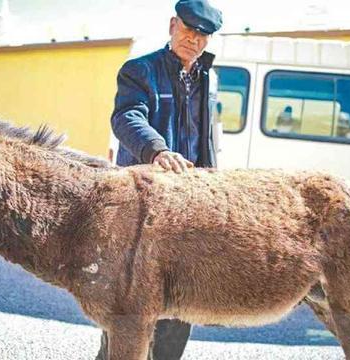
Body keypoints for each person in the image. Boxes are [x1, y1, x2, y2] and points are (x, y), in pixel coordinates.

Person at [97, 0, 222, 358]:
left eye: (203, 35)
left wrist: (213, 182)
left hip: (188, 208)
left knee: (181, 301)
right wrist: (157, 151)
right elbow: (126, 118)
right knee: (128, 307)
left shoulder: (207, 76)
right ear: (172, 25)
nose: (194, 39)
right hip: (140, 206)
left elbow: (206, 137)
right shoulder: (139, 70)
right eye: (188, 29)